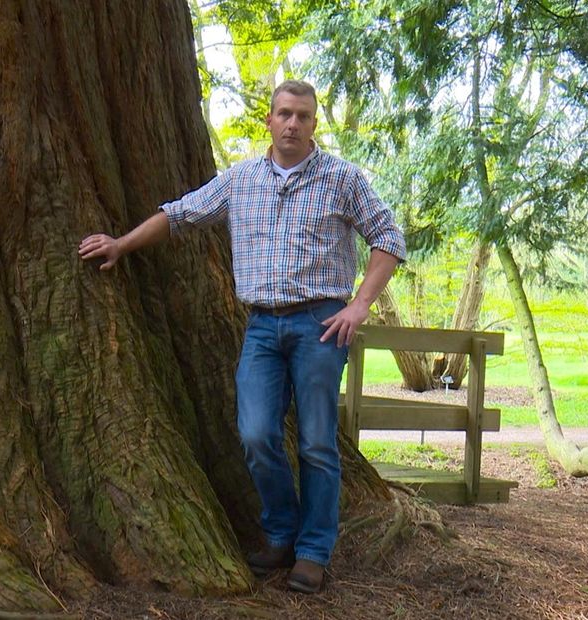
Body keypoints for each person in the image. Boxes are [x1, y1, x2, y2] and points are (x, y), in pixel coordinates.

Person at [78, 80, 405, 593]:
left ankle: (313, 552)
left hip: (320, 324)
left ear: (314, 123)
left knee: (318, 442)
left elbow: (388, 237)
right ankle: (281, 531)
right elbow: (179, 214)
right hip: (260, 328)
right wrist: (122, 244)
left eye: (302, 115)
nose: (292, 123)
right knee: (256, 436)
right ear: (270, 121)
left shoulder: (342, 179)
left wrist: (360, 306)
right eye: (283, 114)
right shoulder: (242, 179)